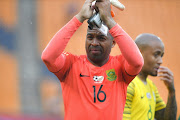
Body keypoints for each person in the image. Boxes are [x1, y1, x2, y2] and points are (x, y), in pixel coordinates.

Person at [41, 0, 144, 119]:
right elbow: (47, 57)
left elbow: (137, 62)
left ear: (113, 42)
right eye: (90, 37)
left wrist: (109, 21)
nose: (94, 43)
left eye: (101, 38)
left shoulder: (120, 66)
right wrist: (79, 18)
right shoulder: (71, 64)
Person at [123, 33, 177, 120]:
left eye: (161, 56)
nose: (160, 61)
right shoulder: (129, 84)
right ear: (139, 53)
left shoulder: (150, 85)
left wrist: (171, 92)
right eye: (156, 54)